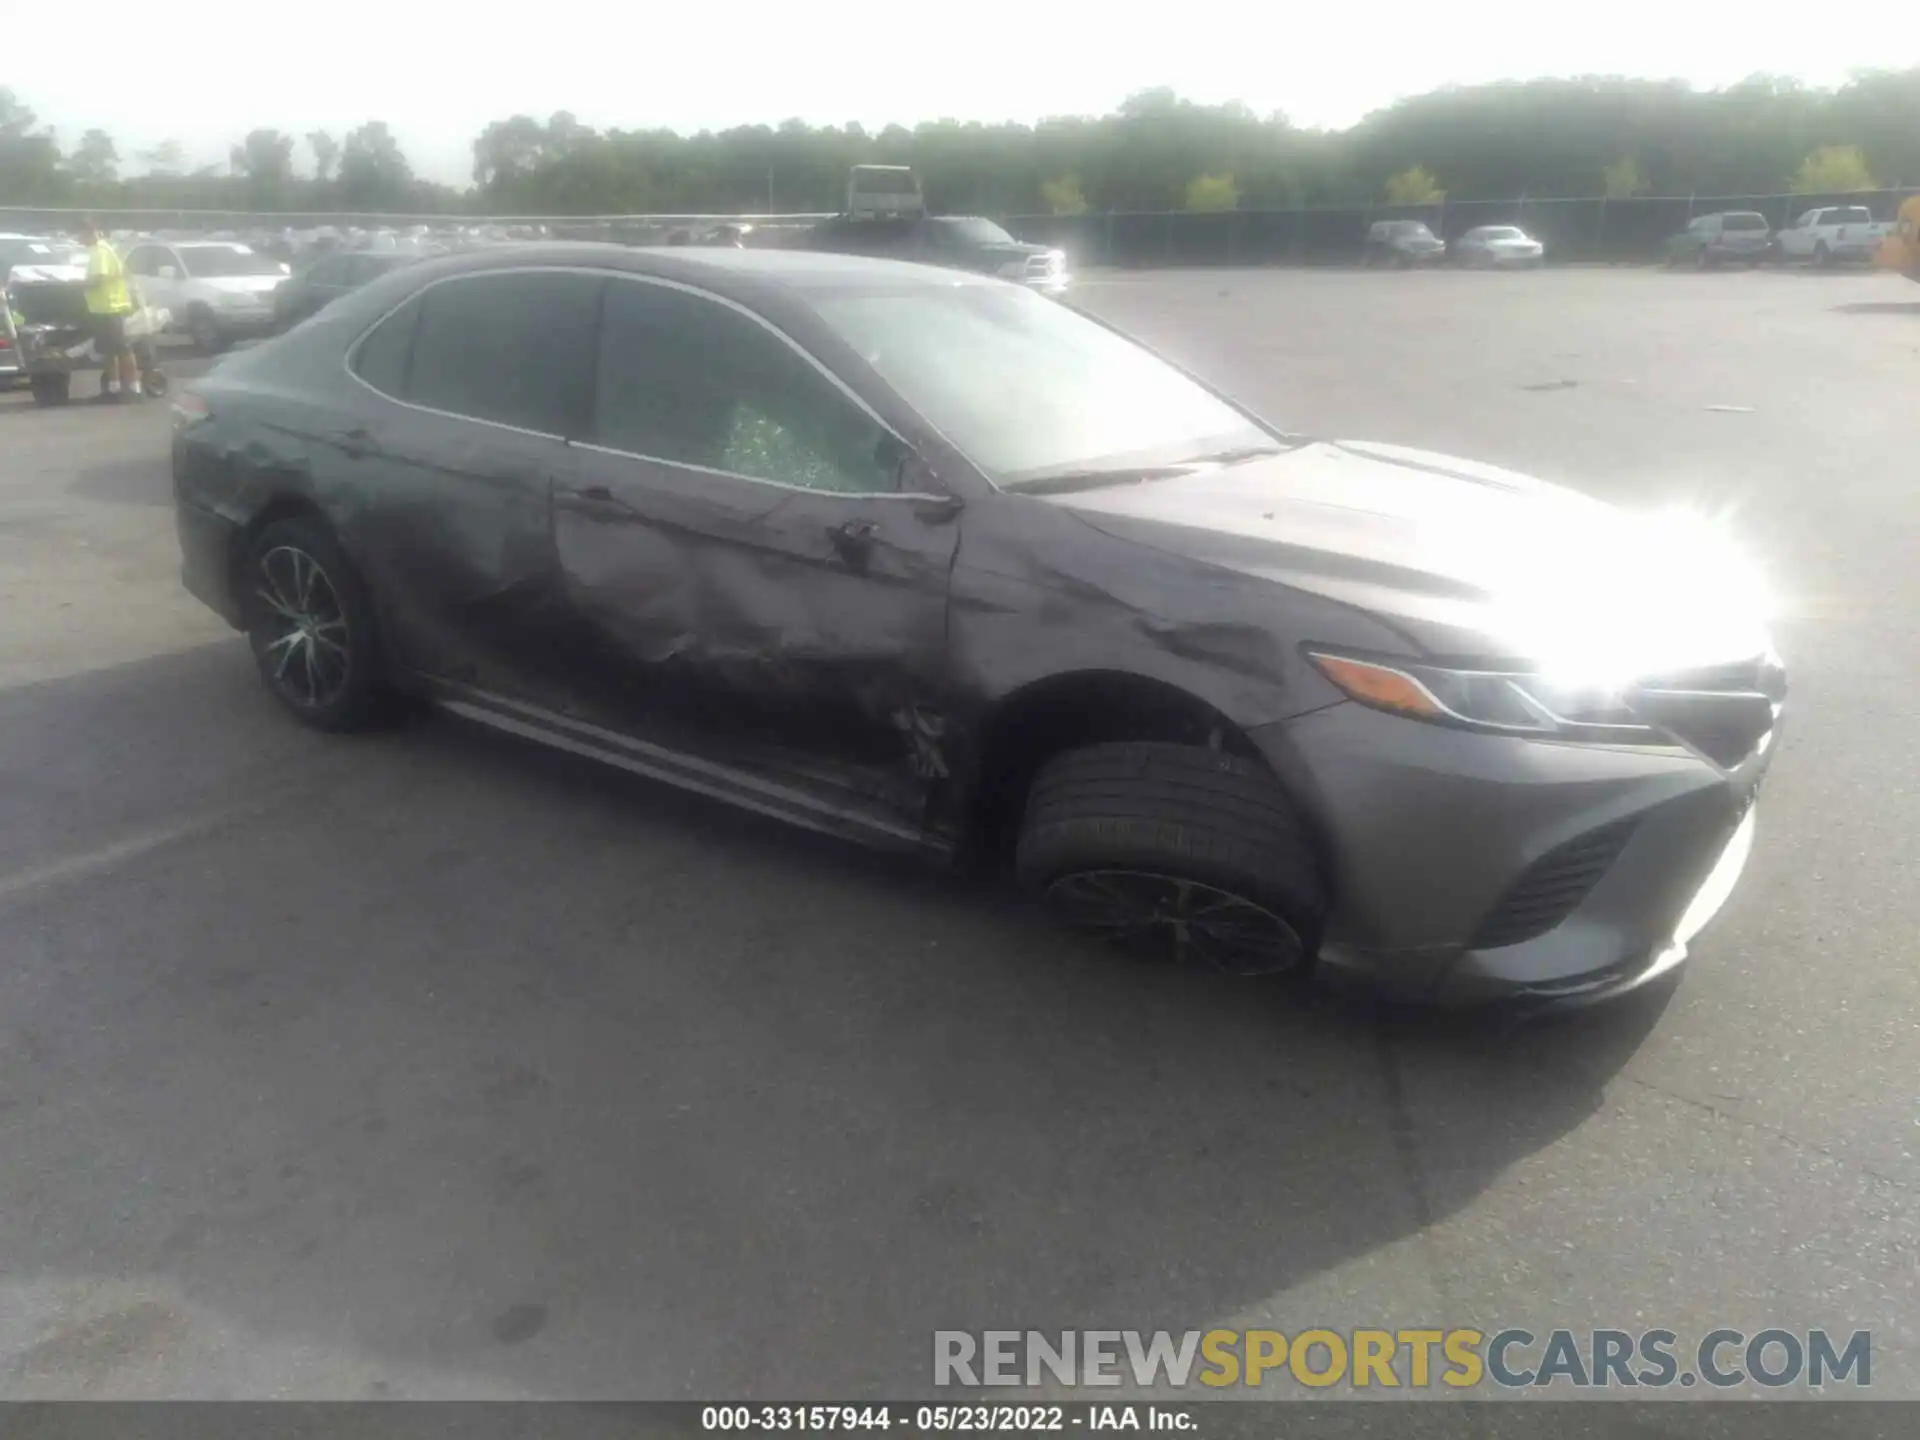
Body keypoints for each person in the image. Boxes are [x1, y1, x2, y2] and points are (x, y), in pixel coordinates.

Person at [80, 218, 139, 401]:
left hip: (112, 308)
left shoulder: (101, 251)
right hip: (103, 309)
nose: (80, 240)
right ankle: (113, 389)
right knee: (109, 350)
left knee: (122, 349)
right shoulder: (98, 250)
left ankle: (134, 389)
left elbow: (99, 278)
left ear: (91, 233)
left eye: (81, 235)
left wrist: (79, 285)